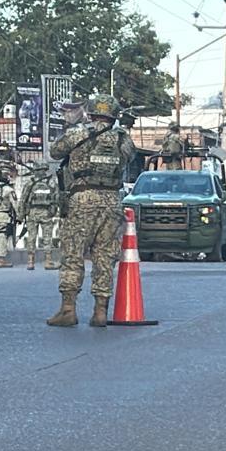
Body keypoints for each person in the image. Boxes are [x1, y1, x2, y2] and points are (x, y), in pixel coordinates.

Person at [47, 94, 137, 327]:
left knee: (73, 254)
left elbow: (55, 152)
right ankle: (100, 311)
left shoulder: (78, 133)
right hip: (112, 200)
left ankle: (68, 310)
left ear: (90, 112)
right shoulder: (123, 139)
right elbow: (130, 157)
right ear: (114, 116)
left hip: (82, 199)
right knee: (105, 256)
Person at [20, 163, 60, 270]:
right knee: (47, 237)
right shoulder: (51, 182)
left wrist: (21, 215)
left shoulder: (30, 182)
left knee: (31, 237)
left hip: (32, 212)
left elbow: (23, 199)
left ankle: (30, 262)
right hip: (46, 213)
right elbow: (56, 198)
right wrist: (54, 211)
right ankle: (48, 261)